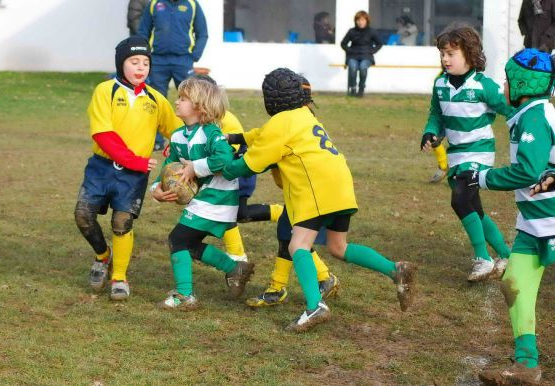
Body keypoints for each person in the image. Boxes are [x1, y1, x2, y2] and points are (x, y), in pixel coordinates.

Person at [223, 68, 416, 332]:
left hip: (316, 188)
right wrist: (235, 137)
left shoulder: (281, 123)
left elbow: (248, 165)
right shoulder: (304, 115)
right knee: (339, 247)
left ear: (271, 99)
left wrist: (217, 166)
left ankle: (315, 306)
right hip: (341, 185)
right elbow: (261, 134)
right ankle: (395, 269)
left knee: (297, 245)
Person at [74, 36, 182, 300]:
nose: (141, 67)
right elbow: (103, 134)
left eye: (145, 62)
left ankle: (119, 276)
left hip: (133, 175)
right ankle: (103, 256)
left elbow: (177, 130)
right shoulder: (105, 90)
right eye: (134, 61)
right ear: (121, 63)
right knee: (83, 215)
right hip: (102, 167)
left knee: (122, 222)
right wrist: (134, 160)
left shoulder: (156, 99)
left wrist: (174, 146)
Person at [475, 48, 555, 386]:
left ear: (522, 83)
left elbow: (528, 171)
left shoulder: (537, 116)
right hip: (535, 222)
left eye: (507, 80)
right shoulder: (532, 112)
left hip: (550, 220)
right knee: (513, 285)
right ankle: (526, 364)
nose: (503, 86)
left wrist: (483, 177)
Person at [420, 25, 514, 283]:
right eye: (442, 54)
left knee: (459, 200)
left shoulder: (484, 86)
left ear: (470, 55)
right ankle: (507, 254)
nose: (445, 59)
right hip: (456, 156)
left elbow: (511, 109)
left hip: (479, 154)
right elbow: (436, 115)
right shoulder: (440, 84)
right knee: (474, 208)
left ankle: (483, 259)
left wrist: (531, 120)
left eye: (451, 53)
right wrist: (430, 132)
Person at [150, 77, 254, 309]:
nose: (177, 102)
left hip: (219, 197)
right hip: (205, 198)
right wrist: (156, 188)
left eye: (184, 99)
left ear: (200, 106)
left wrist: (195, 168)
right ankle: (234, 268)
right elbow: (170, 164)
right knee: (190, 244)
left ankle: (185, 295)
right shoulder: (178, 135)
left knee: (177, 239)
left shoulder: (211, 133)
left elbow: (224, 158)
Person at [138, 0, 208, 151]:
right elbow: (143, 31)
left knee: (191, 101)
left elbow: (203, 33)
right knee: (154, 101)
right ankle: (156, 141)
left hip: (183, 60)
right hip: (157, 61)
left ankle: (193, 139)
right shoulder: (154, 4)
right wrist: (146, 54)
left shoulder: (192, 5)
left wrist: (194, 56)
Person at [340, 10, 383, 97]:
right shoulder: (351, 31)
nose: (360, 22)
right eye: (358, 20)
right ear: (356, 21)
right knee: (353, 67)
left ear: (367, 21)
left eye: (363, 20)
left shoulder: (372, 31)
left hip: (367, 56)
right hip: (353, 56)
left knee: (363, 67)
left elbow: (379, 43)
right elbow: (343, 44)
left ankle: (361, 88)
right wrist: (350, 51)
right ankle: (353, 88)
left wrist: (372, 51)